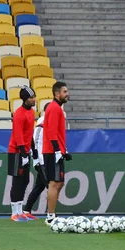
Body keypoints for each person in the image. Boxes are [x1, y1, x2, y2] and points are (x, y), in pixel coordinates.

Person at [43, 82, 72, 225]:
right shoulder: (54, 108)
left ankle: (51, 213)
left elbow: (57, 133)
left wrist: (64, 151)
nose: (67, 94)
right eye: (64, 91)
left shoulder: (57, 108)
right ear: (57, 94)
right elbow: (51, 131)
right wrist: (56, 150)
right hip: (51, 151)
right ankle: (50, 216)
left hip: (56, 150)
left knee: (59, 183)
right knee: (54, 183)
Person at [8, 86, 36, 222]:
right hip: (16, 151)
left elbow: (29, 133)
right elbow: (18, 136)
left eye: (34, 97)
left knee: (25, 181)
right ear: (25, 99)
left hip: (26, 151)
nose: (34, 99)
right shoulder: (19, 113)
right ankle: (14, 213)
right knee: (17, 181)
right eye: (31, 97)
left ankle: (20, 211)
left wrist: (34, 150)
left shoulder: (31, 112)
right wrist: (23, 154)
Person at [24, 102, 51, 217]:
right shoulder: (42, 123)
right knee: (51, 186)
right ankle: (52, 213)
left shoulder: (52, 122)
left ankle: (26, 210)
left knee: (39, 186)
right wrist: (36, 159)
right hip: (42, 160)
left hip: (48, 159)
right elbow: (34, 141)